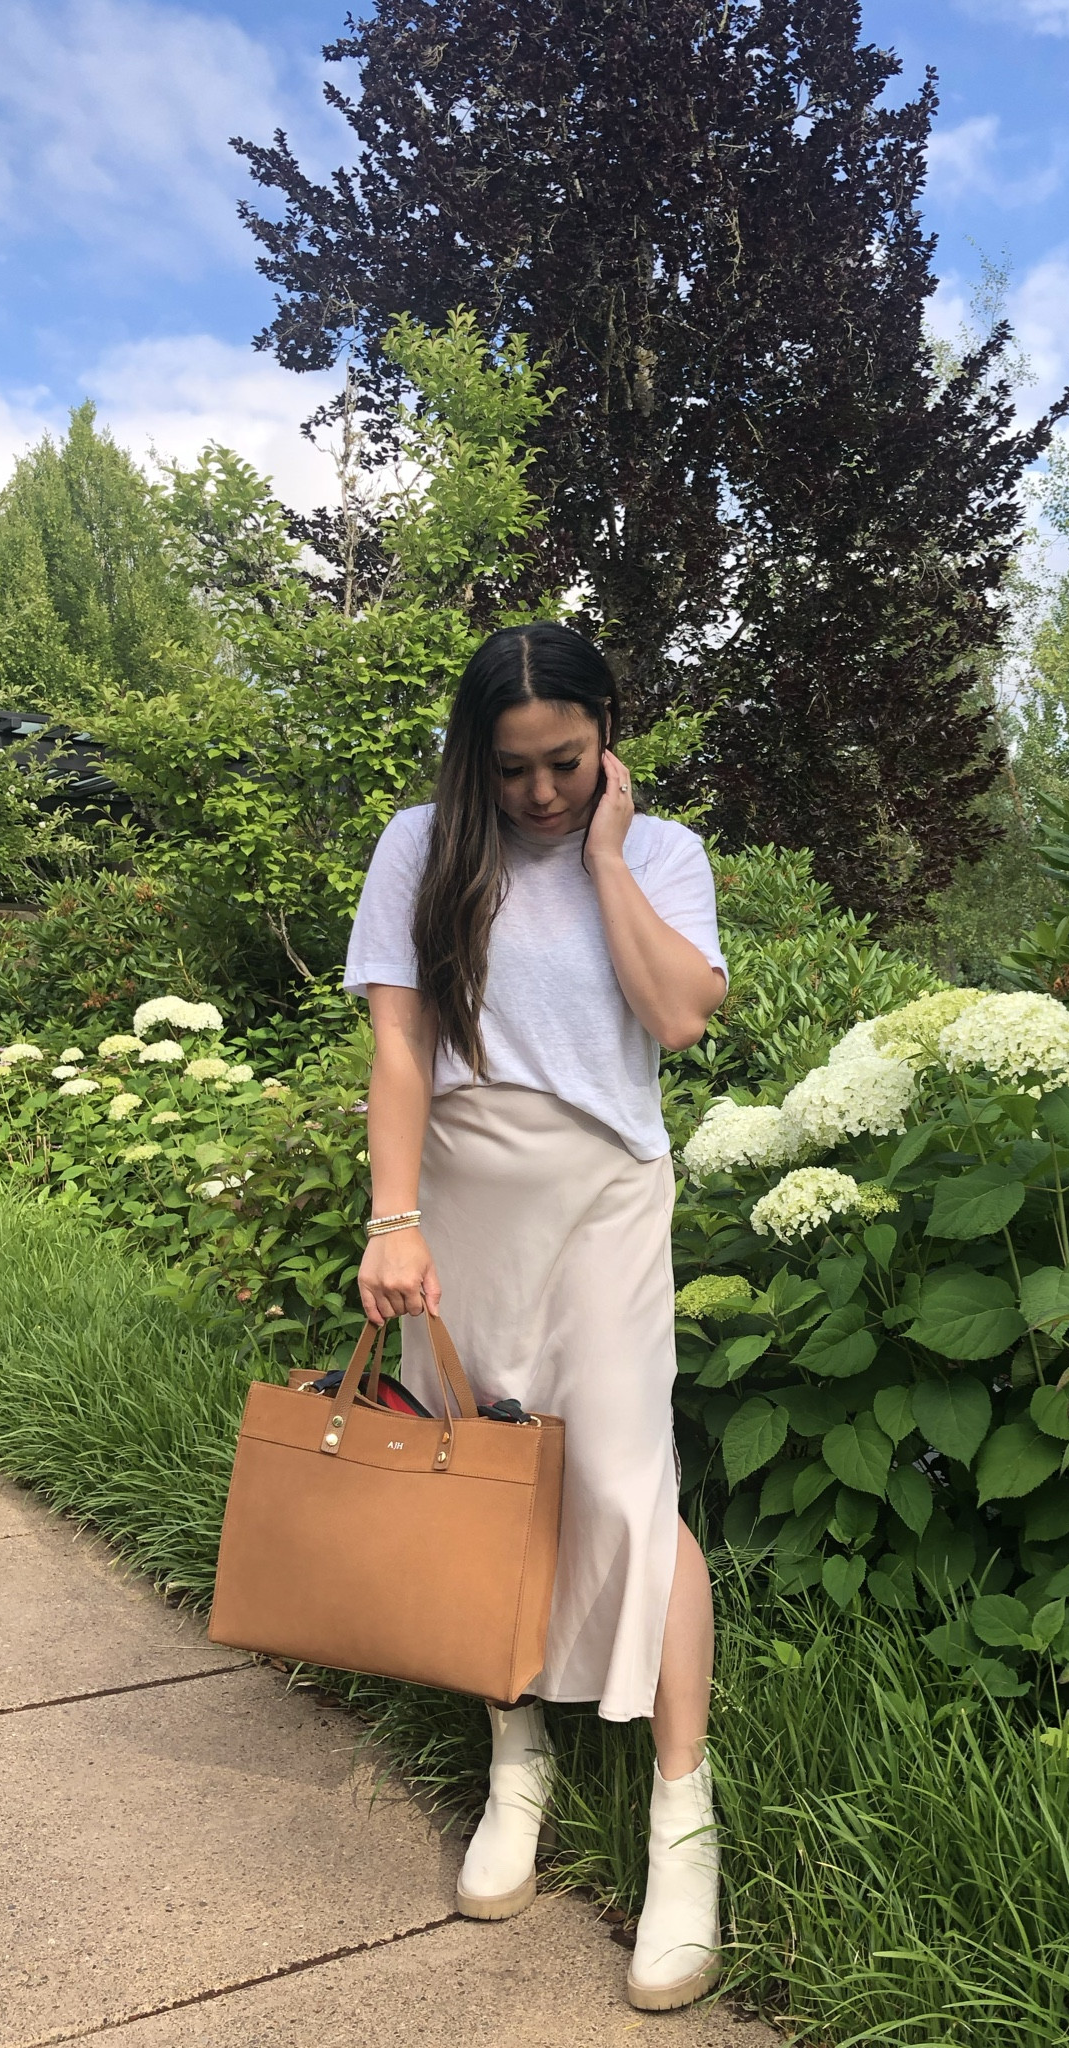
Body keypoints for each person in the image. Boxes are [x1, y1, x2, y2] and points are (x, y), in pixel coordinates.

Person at [343, 620, 729, 2012]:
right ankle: (517, 1768)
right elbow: (398, 1038)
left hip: (606, 1190)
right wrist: (393, 1218)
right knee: (486, 1481)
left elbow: (679, 1019)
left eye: (564, 763)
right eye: (511, 772)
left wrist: (612, 861)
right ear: (475, 762)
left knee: (629, 1484)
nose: (539, 796)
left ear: (605, 736)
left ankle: (683, 1826)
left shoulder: (663, 851)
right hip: (459, 1188)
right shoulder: (420, 848)